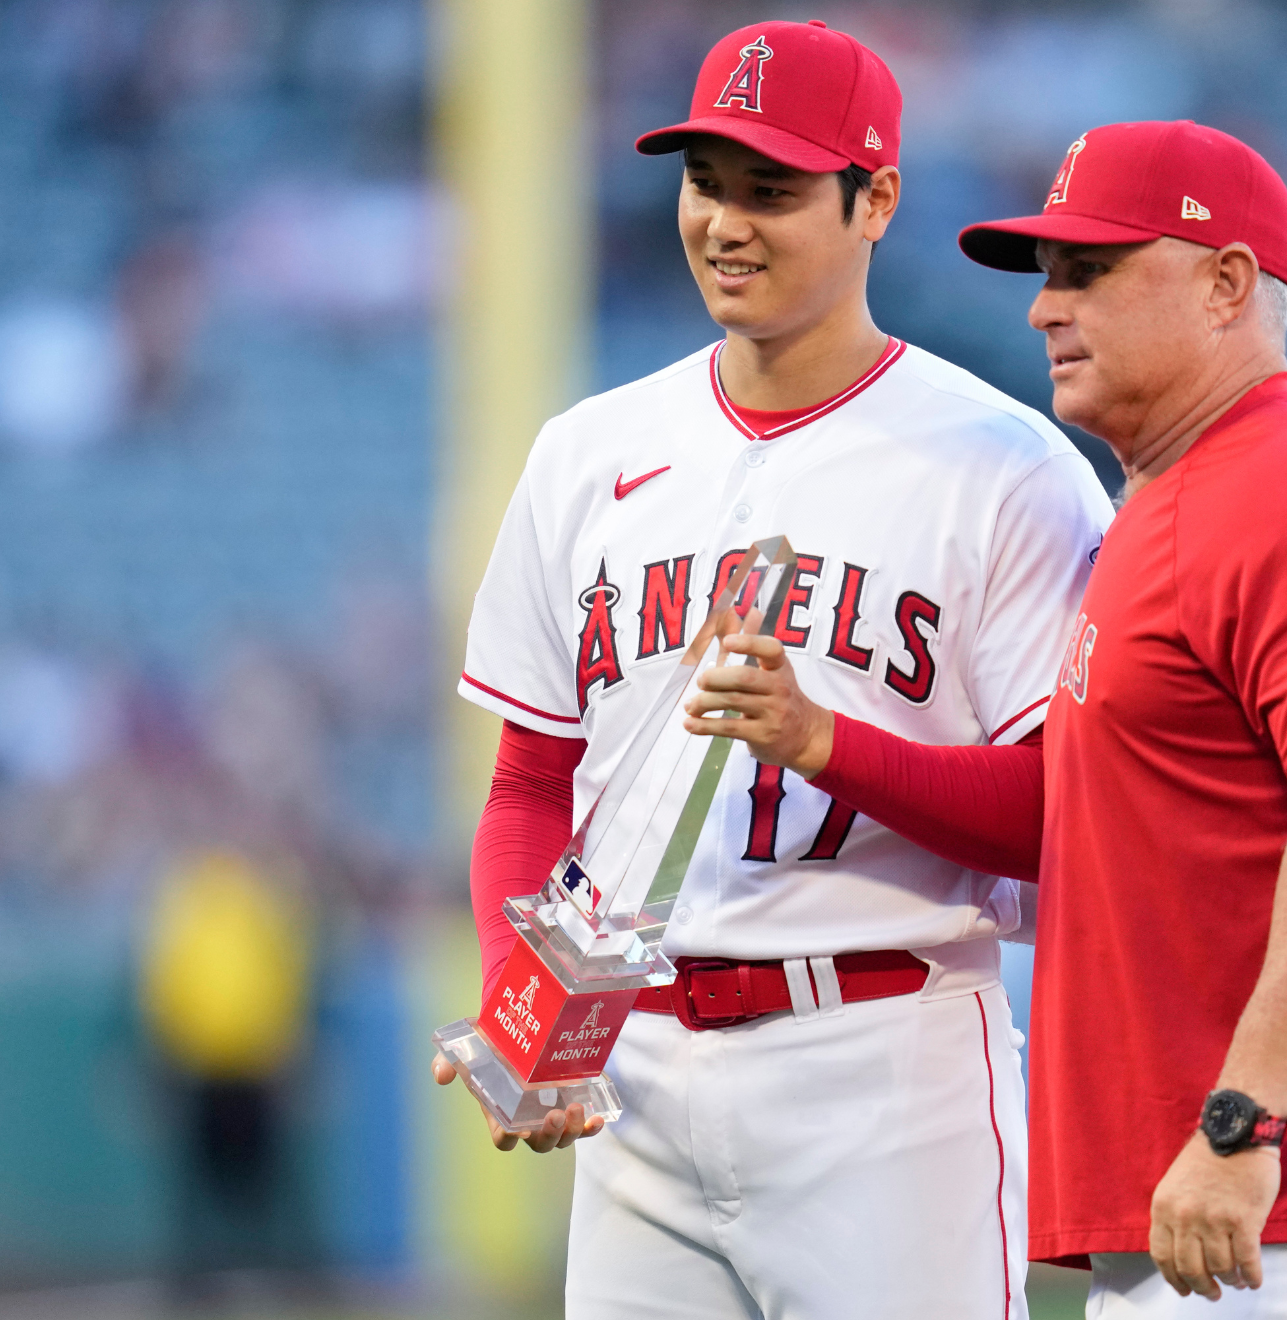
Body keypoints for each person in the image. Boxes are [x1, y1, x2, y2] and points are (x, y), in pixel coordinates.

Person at [695, 120, 1287, 1318]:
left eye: (1093, 270)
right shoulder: (1160, 506)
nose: (1046, 307)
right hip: (1206, 1211)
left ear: (1228, 285)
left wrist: (1245, 1121)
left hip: (1284, 1214)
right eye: (1047, 275)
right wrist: (831, 743)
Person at [431, 22, 1112, 1319]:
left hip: (881, 1051)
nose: (726, 223)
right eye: (706, 182)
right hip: (633, 1070)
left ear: (877, 201)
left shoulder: (1005, 468)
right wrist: (520, 1000)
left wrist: (828, 743)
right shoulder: (588, 453)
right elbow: (530, 790)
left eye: (774, 190)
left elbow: (1066, 818)